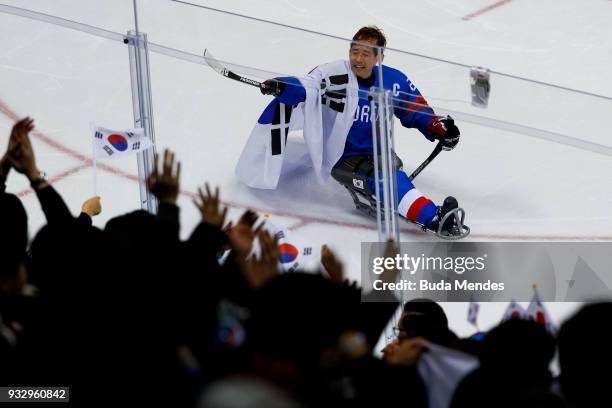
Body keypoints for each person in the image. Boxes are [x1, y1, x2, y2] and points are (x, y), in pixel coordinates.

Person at [246, 26, 465, 237]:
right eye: (354, 51)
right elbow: (308, 85)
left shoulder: (393, 80)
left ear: (379, 57)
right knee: (387, 180)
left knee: (390, 178)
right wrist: (281, 85)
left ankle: (408, 201)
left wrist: (438, 128)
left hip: (378, 151)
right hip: (343, 155)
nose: (358, 59)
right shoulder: (334, 74)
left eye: (366, 54)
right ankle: (434, 218)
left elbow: (415, 109)